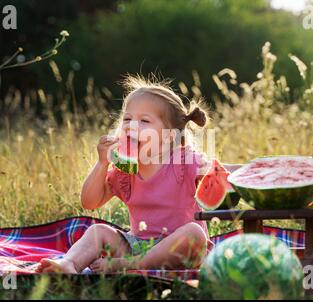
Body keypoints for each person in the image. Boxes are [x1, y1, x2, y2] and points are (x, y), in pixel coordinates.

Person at [37, 75, 214, 274]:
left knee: (194, 232)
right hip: (135, 247)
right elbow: (89, 202)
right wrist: (102, 163)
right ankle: (69, 263)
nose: (131, 126)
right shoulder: (124, 171)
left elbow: (221, 176)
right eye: (127, 119)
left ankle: (130, 265)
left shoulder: (184, 162)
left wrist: (228, 172)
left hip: (181, 252)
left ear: (169, 136)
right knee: (98, 231)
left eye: (144, 120)